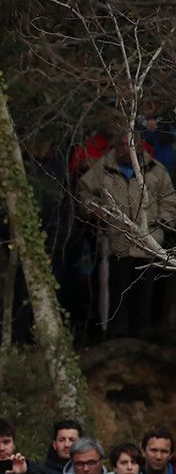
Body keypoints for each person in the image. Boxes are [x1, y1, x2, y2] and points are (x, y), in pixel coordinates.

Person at [78, 131, 176, 337]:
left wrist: (162, 222)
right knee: (114, 295)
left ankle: (143, 338)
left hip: (148, 246)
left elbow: (170, 201)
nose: (126, 149)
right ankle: (114, 336)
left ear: (141, 145)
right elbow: (84, 194)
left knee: (145, 297)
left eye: (131, 144)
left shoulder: (156, 170)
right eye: (122, 145)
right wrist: (95, 209)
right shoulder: (103, 168)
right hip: (115, 244)